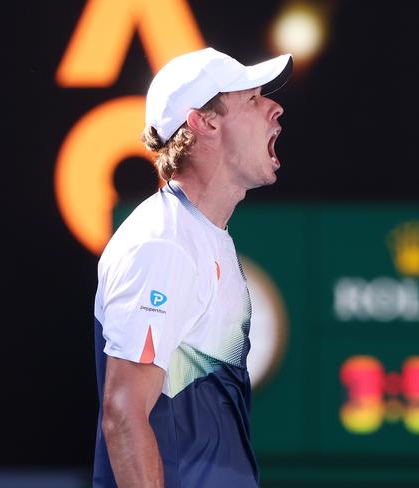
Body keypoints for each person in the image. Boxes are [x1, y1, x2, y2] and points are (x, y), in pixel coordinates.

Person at [92, 47, 293, 488]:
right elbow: (123, 413)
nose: (276, 109)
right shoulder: (164, 243)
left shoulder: (202, 237)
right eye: (255, 99)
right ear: (205, 121)